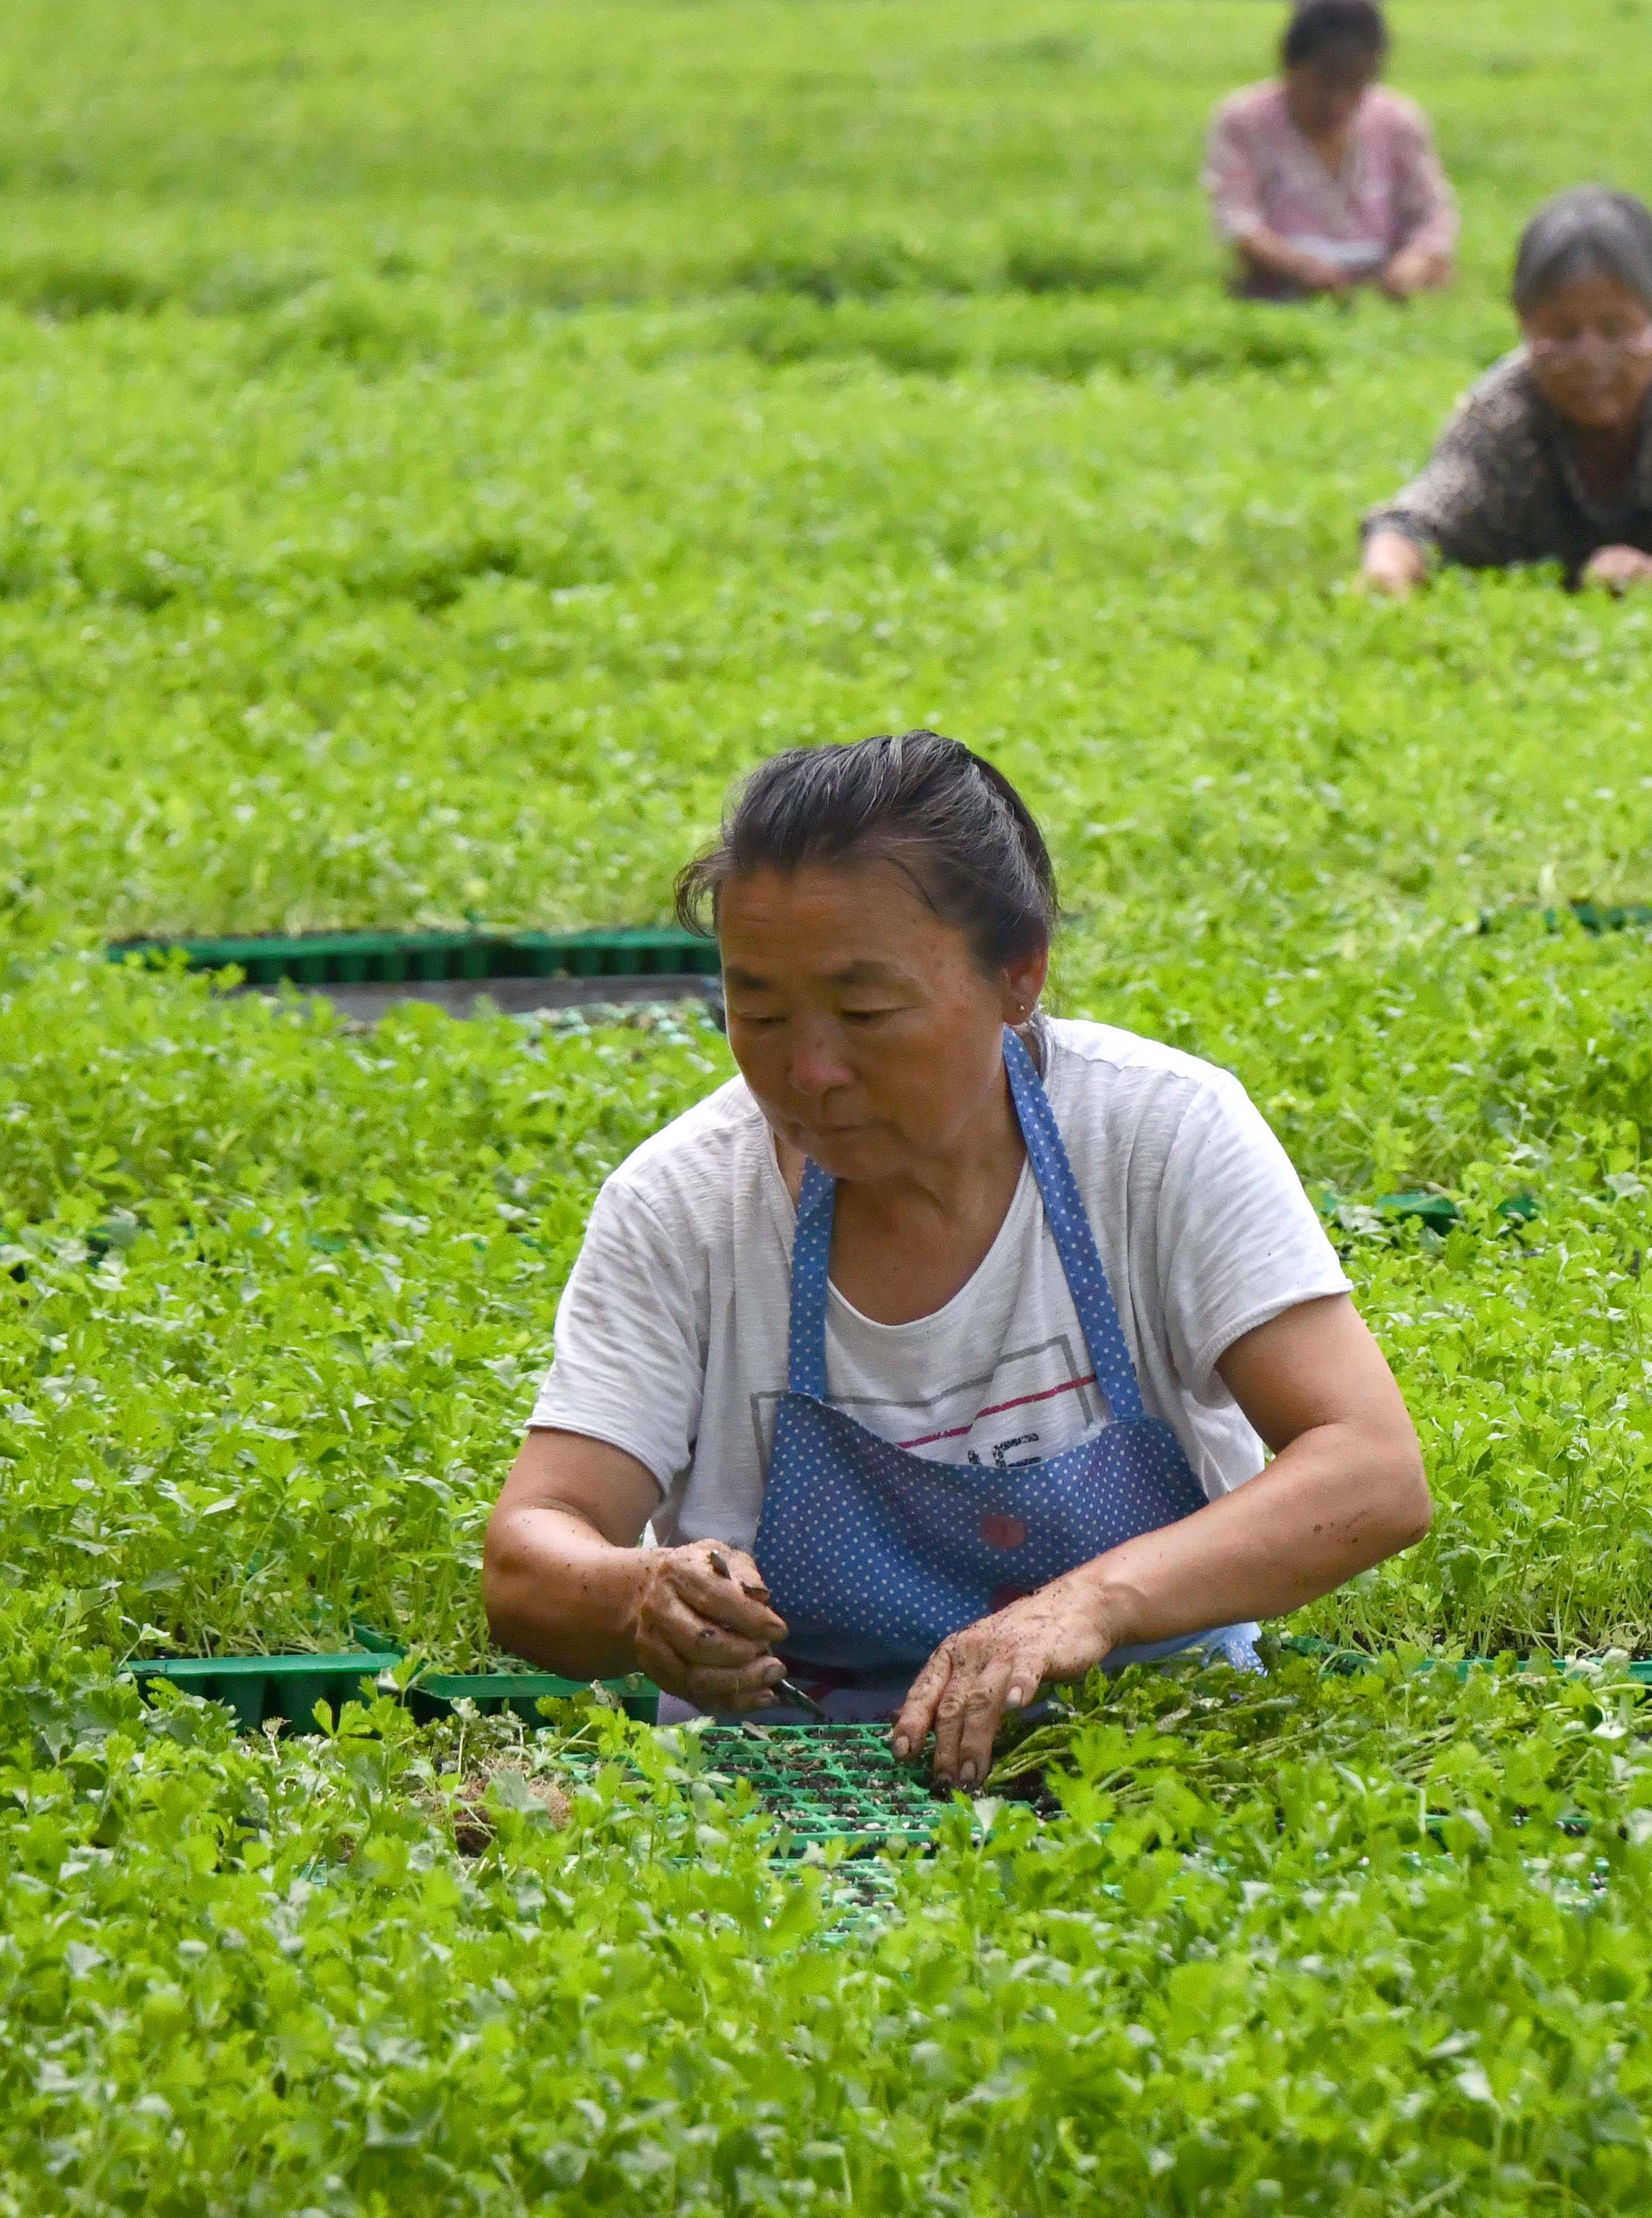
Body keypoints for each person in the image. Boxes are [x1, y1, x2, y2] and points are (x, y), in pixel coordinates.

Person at [482, 733, 1431, 1786]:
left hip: (1154, 1747)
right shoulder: (684, 1204)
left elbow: (1371, 1469)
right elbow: (532, 1552)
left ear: (1017, 977)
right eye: (756, 1011)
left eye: (866, 1011)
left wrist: (1083, 1608)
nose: (810, 1070)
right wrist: (637, 1593)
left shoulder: (1156, 1133)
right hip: (789, 1788)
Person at [1360, 186, 1652, 598]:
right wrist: (1388, 569)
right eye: (1560, 333)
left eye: (1616, 331)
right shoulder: (1504, 405)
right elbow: (1419, 516)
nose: (1589, 357)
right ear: (1524, 326)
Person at [1201, 0, 1459, 304]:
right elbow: (1236, 219)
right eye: (1324, 84)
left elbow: (1433, 215)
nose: (1337, 102)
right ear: (1290, 67)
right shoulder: (1244, 120)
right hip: (1280, 285)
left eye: (1354, 85)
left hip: (1382, 288)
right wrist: (1299, 267)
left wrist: (1413, 264)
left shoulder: (1399, 122)